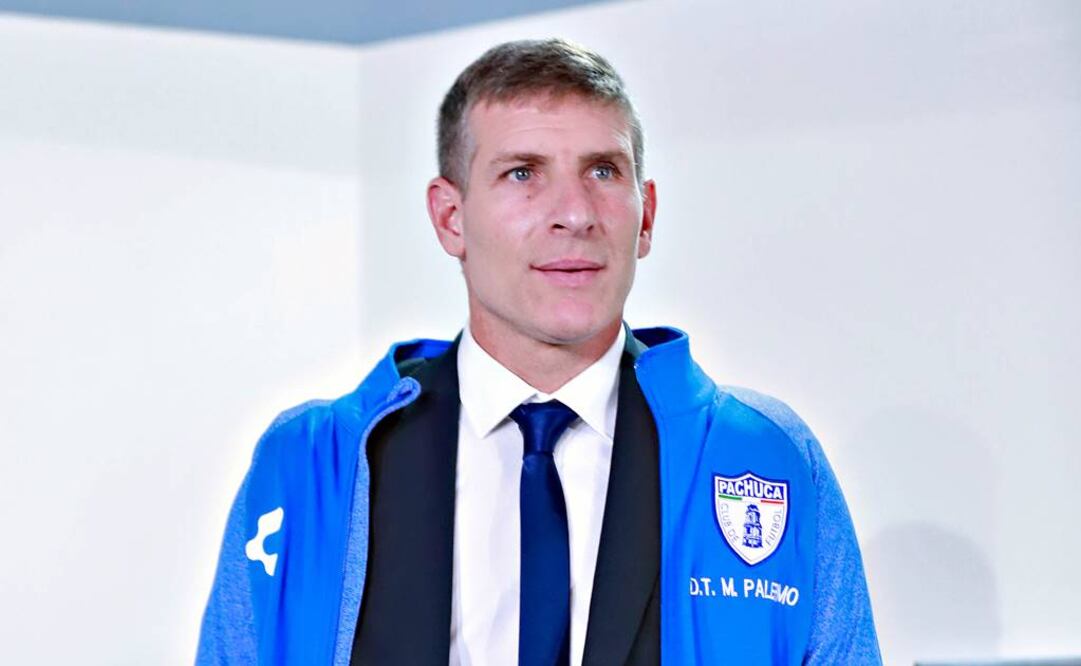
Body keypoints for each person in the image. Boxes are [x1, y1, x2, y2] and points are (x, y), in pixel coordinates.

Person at [197, 38, 881, 665]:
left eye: (603, 171)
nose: (575, 214)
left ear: (645, 215)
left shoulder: (762, 456)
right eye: (523, 173)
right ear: (450, 217)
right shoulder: (310, 460)